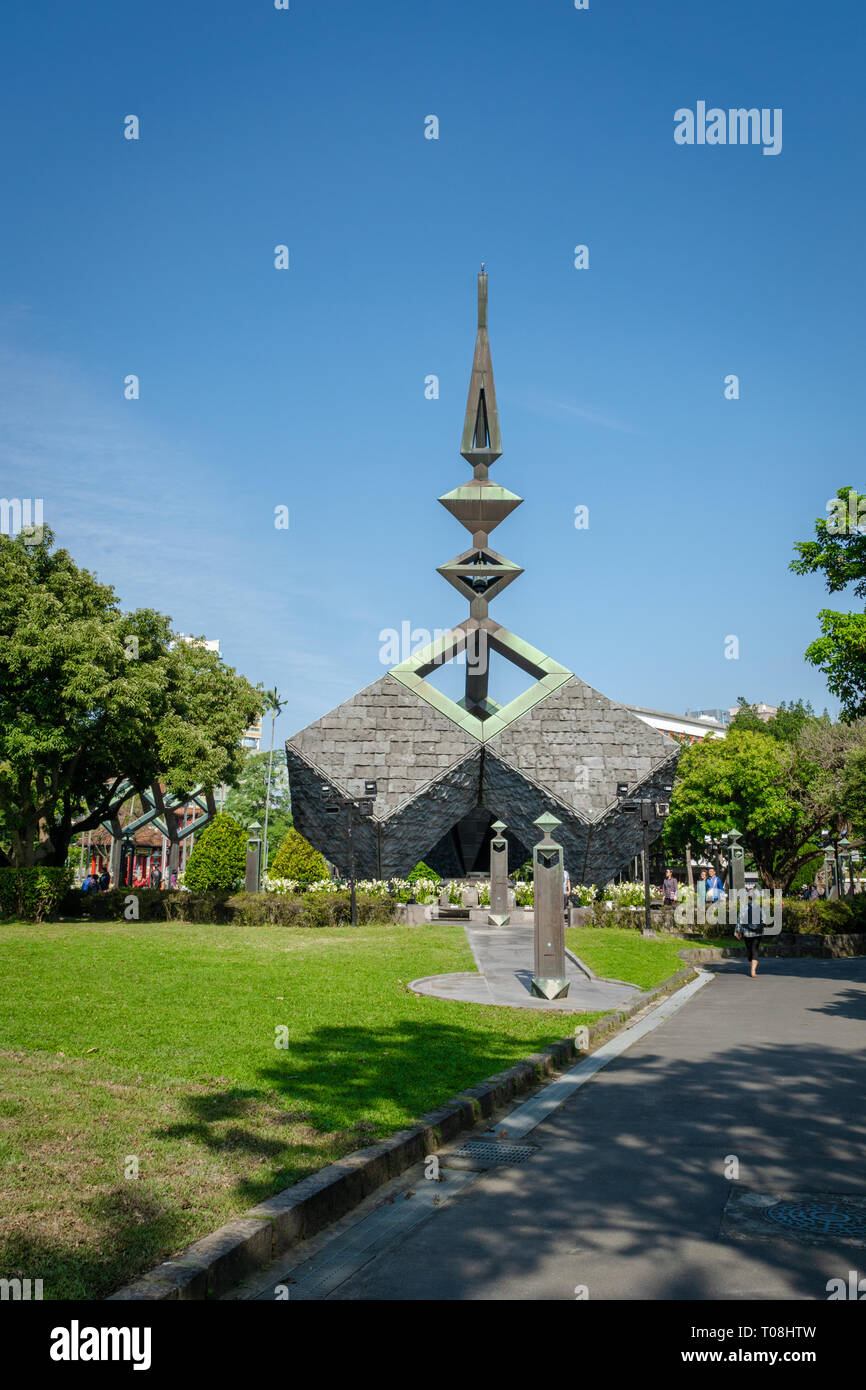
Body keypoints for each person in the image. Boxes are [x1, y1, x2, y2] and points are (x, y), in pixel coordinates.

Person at [735, 887, 764, 977]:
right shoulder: (760, 908)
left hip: (747, 932)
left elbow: (740, 920)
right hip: (758, 932)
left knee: (749, 950)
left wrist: (737, 931)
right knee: (755, 949)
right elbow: (764, 920)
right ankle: (753, 970)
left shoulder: (743, 908)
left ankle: (752, 968)